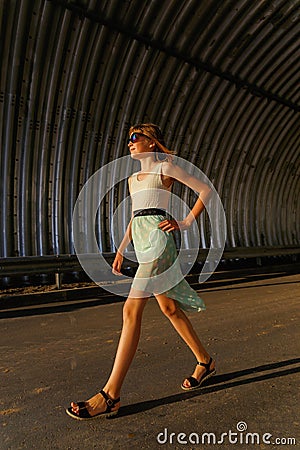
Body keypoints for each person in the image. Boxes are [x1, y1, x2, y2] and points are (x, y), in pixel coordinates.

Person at [66, 123, 216, 420]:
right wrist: (122, 248)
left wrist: (184, 223)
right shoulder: (134, 179)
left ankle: (111, 395)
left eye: (136, 137)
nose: (130, 143)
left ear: (152, 142)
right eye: (128, 139)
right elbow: (137, 217)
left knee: (130, 310)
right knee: (170, 307)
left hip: (160, 242)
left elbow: (205, 190)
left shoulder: (165, 168)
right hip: (142, 241)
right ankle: (205, 361)